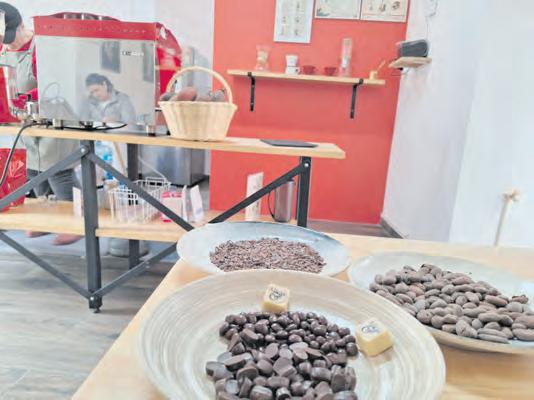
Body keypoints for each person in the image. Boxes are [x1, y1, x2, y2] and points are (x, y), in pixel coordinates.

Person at [0, 2, 81, 245]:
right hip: (25, 119)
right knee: (33, 169)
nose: (8, 45)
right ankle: (46, 220)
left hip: (55, 115)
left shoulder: (43, 45)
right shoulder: (4, 48)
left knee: (58, 169)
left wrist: (26, 97)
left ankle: (77, 222)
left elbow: (57, 83)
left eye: (10, 38)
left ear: (21, 25)